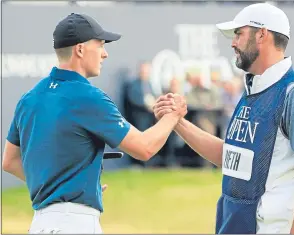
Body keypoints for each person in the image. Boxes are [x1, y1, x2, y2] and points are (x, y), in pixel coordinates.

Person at [2, 13, 186, 234]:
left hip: (39, 224)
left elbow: (10, 161)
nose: (105, 54)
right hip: (75, 224)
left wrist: (61, 188)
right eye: (100, 45)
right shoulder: (88, 96)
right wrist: (173, 116)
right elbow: (144, 148)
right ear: (80, 49)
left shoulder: (29, 98)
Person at [153, 3, 294, 234]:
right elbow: (229, 156)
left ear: (262, 34)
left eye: (239, 34)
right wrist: (177, 122)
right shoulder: (253, 88)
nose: (233, 43)